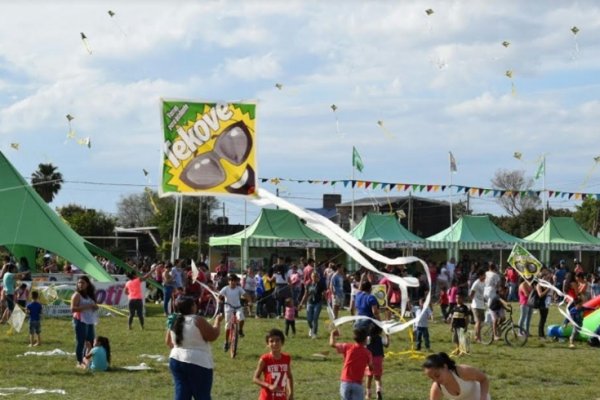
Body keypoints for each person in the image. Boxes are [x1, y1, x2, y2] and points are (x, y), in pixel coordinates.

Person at [166, 296, 223, 400]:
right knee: (202, 395)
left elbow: (168, 342)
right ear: (192, 307)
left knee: (181, 393)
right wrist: (217, 322)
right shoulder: (197, 319)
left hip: (176, 359)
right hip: (197, 361)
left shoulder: (174, 320)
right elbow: (212, 336)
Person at [422, 352, 490, 400]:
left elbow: (484, 379)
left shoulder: (462, 371)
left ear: (445, 367)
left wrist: (483, 397)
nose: (436, 380)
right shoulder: (437, 387)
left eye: (437, 375)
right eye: (432, 378)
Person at [330, 327, 373, 400]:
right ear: (365, 339)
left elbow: (332, 344)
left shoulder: (347, 347)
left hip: (345, 382)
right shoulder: (368, 353)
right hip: (357, 384)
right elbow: (371, 367)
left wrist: (332, 334)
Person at [253, 328, 294, 400]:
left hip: (281, 396)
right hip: (267, 397)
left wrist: (291, 393)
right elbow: (255, 378)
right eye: (271, 341)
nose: (275, 343)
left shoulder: (287, 358)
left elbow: (289, 376)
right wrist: (269, 386)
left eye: (277, 340)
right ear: (268, 344)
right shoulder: (265, 359)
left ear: (282, 342)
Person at [71, 276, 99, 368]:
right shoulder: (76, 295)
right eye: (79, 283)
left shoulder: (89, 295)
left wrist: (95, 307)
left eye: (82, 282)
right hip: (80, 320)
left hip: (89, 320)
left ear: (87, 284)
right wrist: (87, 306)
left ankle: (86, 360)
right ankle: (79, 362)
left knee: (90, 342)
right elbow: (73, 309)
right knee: (81, 342)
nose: (80, 284)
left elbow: (93, 306)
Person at [219, 273, 248, 351]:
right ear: (228, 281)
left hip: (237, 307)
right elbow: (220, 296)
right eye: (231, 280)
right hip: (228, 308)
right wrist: (220, 300)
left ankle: (240, 330)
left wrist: (249, 301)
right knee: (228, 325)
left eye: (234, 281)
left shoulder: (239, 288)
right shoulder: (225, 288)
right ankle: (226, 342)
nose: (233, 282)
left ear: (237, 282)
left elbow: (245, 295)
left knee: (241, 319)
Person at [299, 271, 326, 339]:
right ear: (311, 277)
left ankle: (314, 333)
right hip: (310, 302)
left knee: (315, 318)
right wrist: (301, 303)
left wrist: (324, 295)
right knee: (309, 319)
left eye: (316, 277)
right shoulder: (308, 284)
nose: (314, 278)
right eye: (313, 276)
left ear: (318, 277)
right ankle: (311, 328)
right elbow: (305, 294)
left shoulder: (321, 284)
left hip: (318, 303)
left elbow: (324, 292)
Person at [365, 324, 389, 400]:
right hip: (379, 359)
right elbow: (387, 345)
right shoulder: (380, 338)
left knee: (369, 377)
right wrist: (387, 336)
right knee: (378, 378)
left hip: (370, 360)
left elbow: (365, 346)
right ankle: (378, 390)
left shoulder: (368, 338)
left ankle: (368, 395)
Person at [469, 269, 486, 343]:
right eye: (484, 275)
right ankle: (478, 337)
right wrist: (473, 301)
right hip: (476, 305)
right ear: (480, 276)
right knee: (479, 322)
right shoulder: (476, 283)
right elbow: (471, 294)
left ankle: (475, 333)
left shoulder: (484, 282)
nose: (485, 276)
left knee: (481, 322)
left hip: (482, 305)